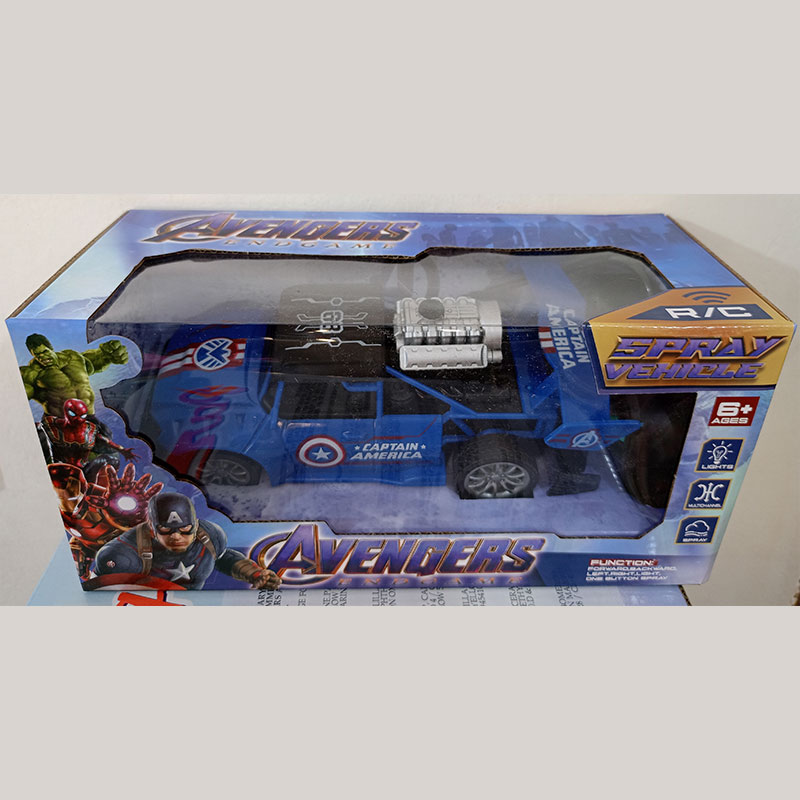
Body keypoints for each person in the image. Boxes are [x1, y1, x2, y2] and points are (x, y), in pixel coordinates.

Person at [93, 492, 281, 590]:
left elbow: (221, 557)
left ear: (196, 524)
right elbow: (102, 598)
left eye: (184, 529)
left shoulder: (211, 536)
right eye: (166, 529)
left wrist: (254, 573)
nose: (176, 536)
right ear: (152, 527)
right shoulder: (122, 555)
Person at [19, 333, 129, 415]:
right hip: (60, 424)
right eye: (37, 355)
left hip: (89, 418)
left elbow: (98, 360)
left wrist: (111, 354)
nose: (42, 357)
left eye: (44, 352)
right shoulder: (32, 374)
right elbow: (20, 395)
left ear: (51, 348)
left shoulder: (73, 357)